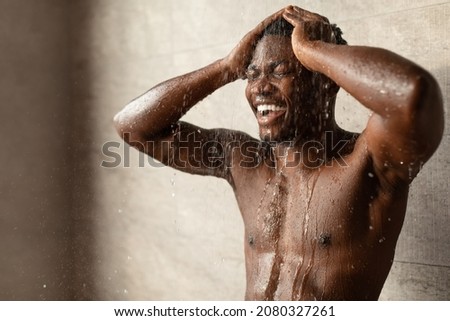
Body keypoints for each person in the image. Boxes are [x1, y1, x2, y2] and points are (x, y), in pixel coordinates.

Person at [114, 6, 443, 300]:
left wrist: (311, 49)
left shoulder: (367, 164)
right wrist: (226, 67)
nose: (259, 87)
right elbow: (132, 126)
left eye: (279, 71)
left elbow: (413, 95)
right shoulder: (243, 160)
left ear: (326, 81)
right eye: (252, 74)